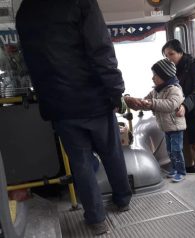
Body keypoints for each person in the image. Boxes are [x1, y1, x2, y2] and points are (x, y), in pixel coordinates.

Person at [16, 0, 132, 235]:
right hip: (94, 100)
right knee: (111, 153)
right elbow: (101, 49)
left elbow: (30, 61)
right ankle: (122, 199)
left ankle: (96, 219)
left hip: (59, 106)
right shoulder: (82, 2)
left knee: (80, 164)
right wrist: (116, 91)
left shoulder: (26, 10)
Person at [126, 59, 187, 182]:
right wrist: (140, 103)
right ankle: (174, 169)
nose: (152, 78)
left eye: (155, 75)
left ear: (165, 76)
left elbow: (171, 104)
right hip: (166, 127)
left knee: (176, 149)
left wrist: (151, 103)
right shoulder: (156, 90)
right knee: (170, 150)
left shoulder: (174, 89)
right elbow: (148, 100)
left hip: (176, 127)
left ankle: (181, 171)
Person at [162, 39, 195, 176]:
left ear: (180, 52)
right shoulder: (173, 70)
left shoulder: (194, 66)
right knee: (184, 144)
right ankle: (188, 170)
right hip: (181, 112)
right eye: (166, 56)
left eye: (171, 54)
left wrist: (185, 105)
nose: (169, 58)